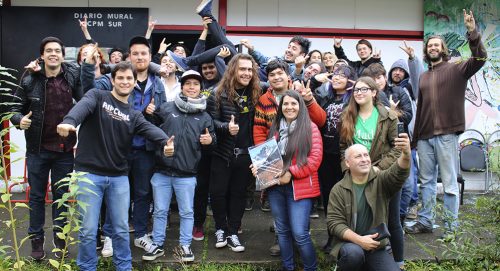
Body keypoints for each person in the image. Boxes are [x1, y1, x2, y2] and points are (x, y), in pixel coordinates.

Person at [56, 61, 170, 271]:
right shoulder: (98, 97)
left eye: (129, 78)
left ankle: (124, 267)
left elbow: (151, 130)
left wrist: (166, 142)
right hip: (89, 174)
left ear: (134, 82)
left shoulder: (134, 115)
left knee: (120, 228)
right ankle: (87, 267)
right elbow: (81, 108)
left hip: (118, 178)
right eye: (121, 77)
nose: (125, 81)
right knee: (88, 230)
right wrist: (70, 121)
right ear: (113, 80)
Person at [81, 36, 167, 254]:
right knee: (114, 194)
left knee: (141, 193)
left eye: (144, 53)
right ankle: (108, 235)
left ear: (149, 56)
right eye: (136, 53)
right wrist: (89, 66)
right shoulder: (118, 77)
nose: (140, 57)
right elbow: (90, 89)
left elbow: (164, 115)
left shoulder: (158, 84)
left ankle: (139, 234)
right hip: (117, 149)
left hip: (144, 149)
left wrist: (154, 113)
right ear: (130, 55)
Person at [404, 10, 487, 236]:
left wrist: (472, 31)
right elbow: (421, 109)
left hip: (447, 134)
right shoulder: (423, 76)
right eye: (429, 45)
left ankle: (451, 227)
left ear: (443, 49)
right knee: (426, 182)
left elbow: (480, 58)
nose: (432, 48)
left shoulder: (457, 68)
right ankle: (426, 221)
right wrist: (416, 138)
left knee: (449, 184)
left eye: (436, 45)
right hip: (425, 137)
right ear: (426, 50)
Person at [10, 36, 82, 260]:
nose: (53, 54)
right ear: (41, 55)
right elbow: (14, 108)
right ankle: (36, 240)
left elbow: (85, 101)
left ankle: (60, 239)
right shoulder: (30, 79)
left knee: (61, 197)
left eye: (57, 51)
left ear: (62, 55)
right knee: (37, 198)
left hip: (64, 150)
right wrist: (19, 120)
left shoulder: (71, 75)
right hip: (37, 149)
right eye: (48, 50)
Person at [142, 70, 216, 262]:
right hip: (161, 171)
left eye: (196, 84)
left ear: (201, 89)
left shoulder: (205, 116)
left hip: (187, 174)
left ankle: (185, 246)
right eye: (188, 83)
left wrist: (210, 141)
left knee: (186, 212)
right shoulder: (166, 108)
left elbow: (211, 143)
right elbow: (150, 131)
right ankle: (157, 244)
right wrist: (148, 114)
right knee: (159, 211)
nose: (192, 87)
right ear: (182, 87)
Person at [251, 90, 323, 271]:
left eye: (294, 103)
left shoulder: (310, 128)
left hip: (299, 187)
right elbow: (268, 157)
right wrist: (259, 168)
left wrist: (291, 173)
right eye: (285, 104)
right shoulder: (275, 129)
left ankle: (310, 268)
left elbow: (314, 159)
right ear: (280, 107)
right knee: (282, 231)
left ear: (300, 106)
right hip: (276, 187)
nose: (289, 107)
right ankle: (288, 267)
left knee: (300, 233)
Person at [326, 133, 411, 271]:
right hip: (348, 245)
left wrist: (406, 154)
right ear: (347, 163)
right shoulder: (338, 189)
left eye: (366, 155)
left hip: (376, 246)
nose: (364, 159)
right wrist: (360, 240)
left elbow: (398, 172)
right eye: (358, 156)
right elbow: (334, 224)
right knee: (353, 255)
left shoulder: (381, 180)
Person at [206, 53, 262, 252]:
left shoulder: (257, 92)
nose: (246, 73)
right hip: (223, 152)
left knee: (239, 195)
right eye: (242, 69)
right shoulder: (217, 93)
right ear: (232, 70)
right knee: (219, 193)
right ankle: (220, 229)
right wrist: (225, 128)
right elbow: (210, 122)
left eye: (249, 69)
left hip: (246, 154)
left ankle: (233, 232)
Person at [312, 65, 357, 252]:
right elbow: (310, 96)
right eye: (335, 75)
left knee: (346, 198)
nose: (337, 78)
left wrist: (357, 87)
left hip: (343, 155)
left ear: (350, 80)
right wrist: (316, 79)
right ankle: (332, 236)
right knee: (329, 197)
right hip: (325, 154)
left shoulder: (354, 100)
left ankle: (346, 236)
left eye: (342, 75)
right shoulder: (326, 98)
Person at [240, 36, 311, 81]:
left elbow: (292, 80)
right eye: (289, 47)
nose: (289, 50)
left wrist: (298, 69)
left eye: (294, 49)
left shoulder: (298, 70)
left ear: (302, 55)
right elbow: (264, 59)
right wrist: (251, 48)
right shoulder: (278, 58)